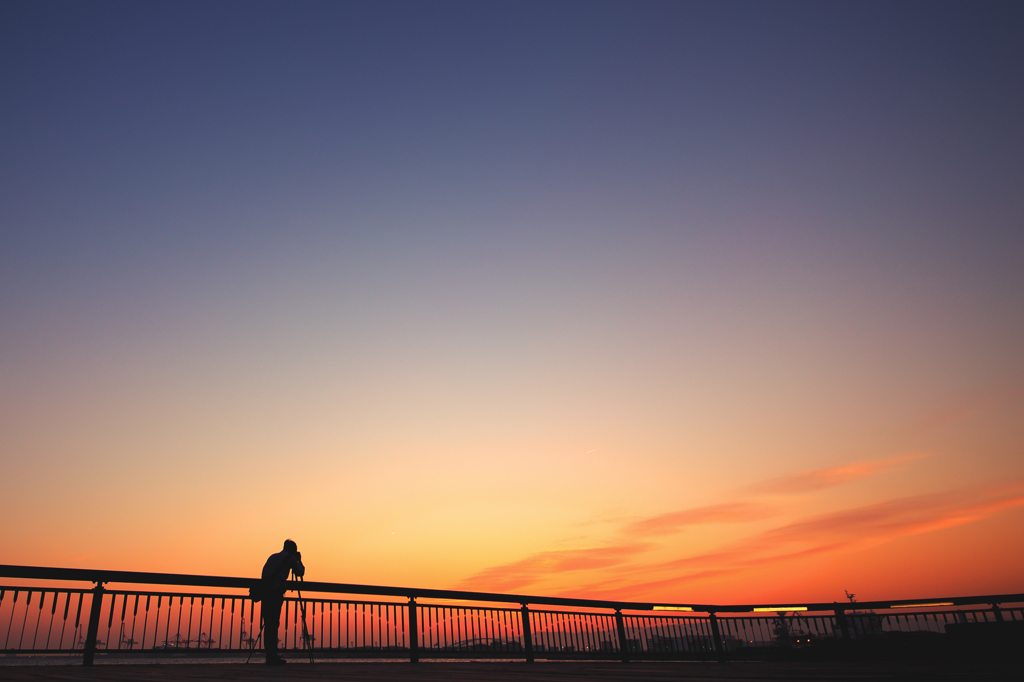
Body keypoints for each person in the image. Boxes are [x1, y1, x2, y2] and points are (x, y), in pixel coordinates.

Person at [261, 539, 305, 665]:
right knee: (273, 623)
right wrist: (299, 560)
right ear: (293, 550)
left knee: (268, 623)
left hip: (265, 591)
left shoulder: (273, 556)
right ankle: (272, 657)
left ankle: (270, 655)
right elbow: (300, 572)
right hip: (275, 592)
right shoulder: (290, 558)